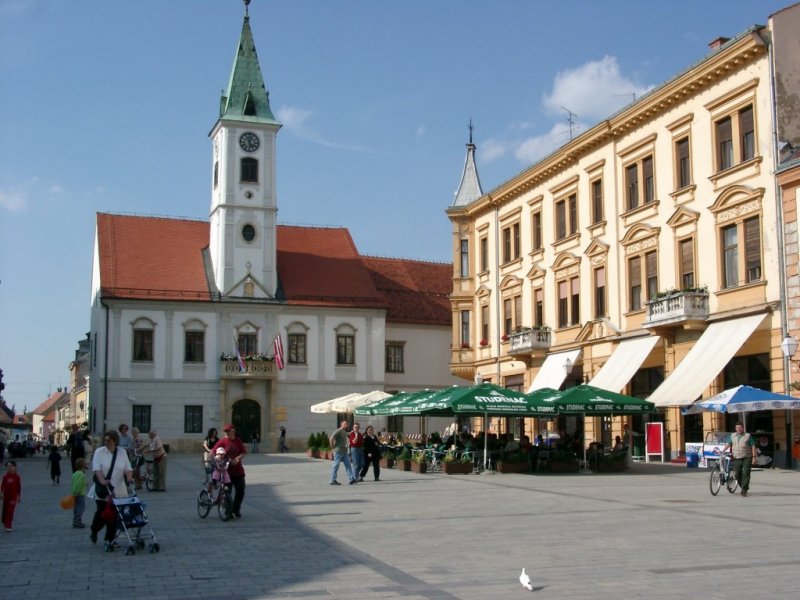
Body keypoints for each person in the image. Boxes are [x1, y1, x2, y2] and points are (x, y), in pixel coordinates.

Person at [88, 430, 133, 551]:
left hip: (118, 489)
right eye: (105, 440)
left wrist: (129, 478)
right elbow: (97, 469)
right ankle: (94, 529)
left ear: (115, 441)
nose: (106, 442)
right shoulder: (99, 452)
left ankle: (110, 539)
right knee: (102, 513)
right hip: (104, 489)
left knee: (114, 515)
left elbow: (128, 468)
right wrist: (103, 481)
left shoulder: (122, 453)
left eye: (109, 440)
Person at [211, 424, 247, 518]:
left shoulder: (238, 441)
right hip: (226, 471)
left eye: (228, 431)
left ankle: (236, 508)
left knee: (241, 490)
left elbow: (244, 452)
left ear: (233, 430)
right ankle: (228, 510)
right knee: (227, 491)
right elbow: (214, 451)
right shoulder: (222, 441)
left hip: (238, 470)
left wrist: (237, 459)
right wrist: (215, 459)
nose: (226, 433)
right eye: (225, 431)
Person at [722, 422, 757, 497]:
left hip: (747, 457)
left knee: (746, 473)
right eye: (737, 428)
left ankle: (744, 490)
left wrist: (754, 457)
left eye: (740, 427)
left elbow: (753, 446)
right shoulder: (732, 435)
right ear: (735, 429)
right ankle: (744, 486)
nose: (739, 429)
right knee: (737, 474)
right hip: (736, 457)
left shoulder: (747, 436)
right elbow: (728, 444)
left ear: (743, 428)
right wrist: (723, 451)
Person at [329, 420, 357, 485]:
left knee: (348, 465)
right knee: (336, 466)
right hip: (338, 451)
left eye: (347, 424)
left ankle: (351, 479)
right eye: (345, 424)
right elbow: (331, 438)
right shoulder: (338, 430)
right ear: (341, 424)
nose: (346, 425)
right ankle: (333, 480)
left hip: (344, 452)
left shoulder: (344, 432)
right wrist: (332, 447)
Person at [1, 460, 21, 532]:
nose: (9, 468)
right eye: (8, 466)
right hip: (6, 497)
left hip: (13, 497)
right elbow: (2, 486)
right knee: (5, 510)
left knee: (10, 511)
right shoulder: (5, 477)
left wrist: (19, 496)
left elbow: (19, 487)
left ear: (14, 467)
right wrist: (1, 493)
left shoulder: (17, 477)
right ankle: (5, 521)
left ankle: (8, 525)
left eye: (11, 466)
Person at [71, 457, 87, 528]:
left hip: (74, 493)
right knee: (81, 507)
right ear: (83, 466)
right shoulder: (81, 474)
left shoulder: (75, 474)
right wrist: (77, 492)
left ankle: (76, 519)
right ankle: (77, 521)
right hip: (80, 494)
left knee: (76, 507)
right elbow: (78, 483)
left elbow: (75, 483)